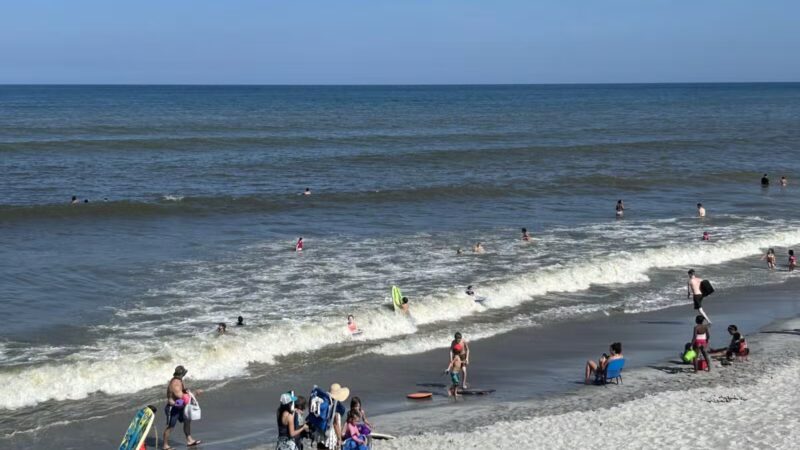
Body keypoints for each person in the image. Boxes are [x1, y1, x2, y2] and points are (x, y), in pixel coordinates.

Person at [163, 365, 201, 449]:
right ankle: (165, 445)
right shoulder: (175, 384)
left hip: (180, 405)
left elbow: (184, 393)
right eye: (183, 373)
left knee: (187, 420)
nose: (184, 375)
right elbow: (184, 398)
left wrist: (188, 391)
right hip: (173, 408)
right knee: (170, 426)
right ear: (181, 374)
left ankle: (189, 440)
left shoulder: (180, 381)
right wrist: (194, 393)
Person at [328, 383, 350, 449]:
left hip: (322, 433)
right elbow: (336, 424)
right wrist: (339, 438)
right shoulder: (335, 408)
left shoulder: (328, 403)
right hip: (330, 435)